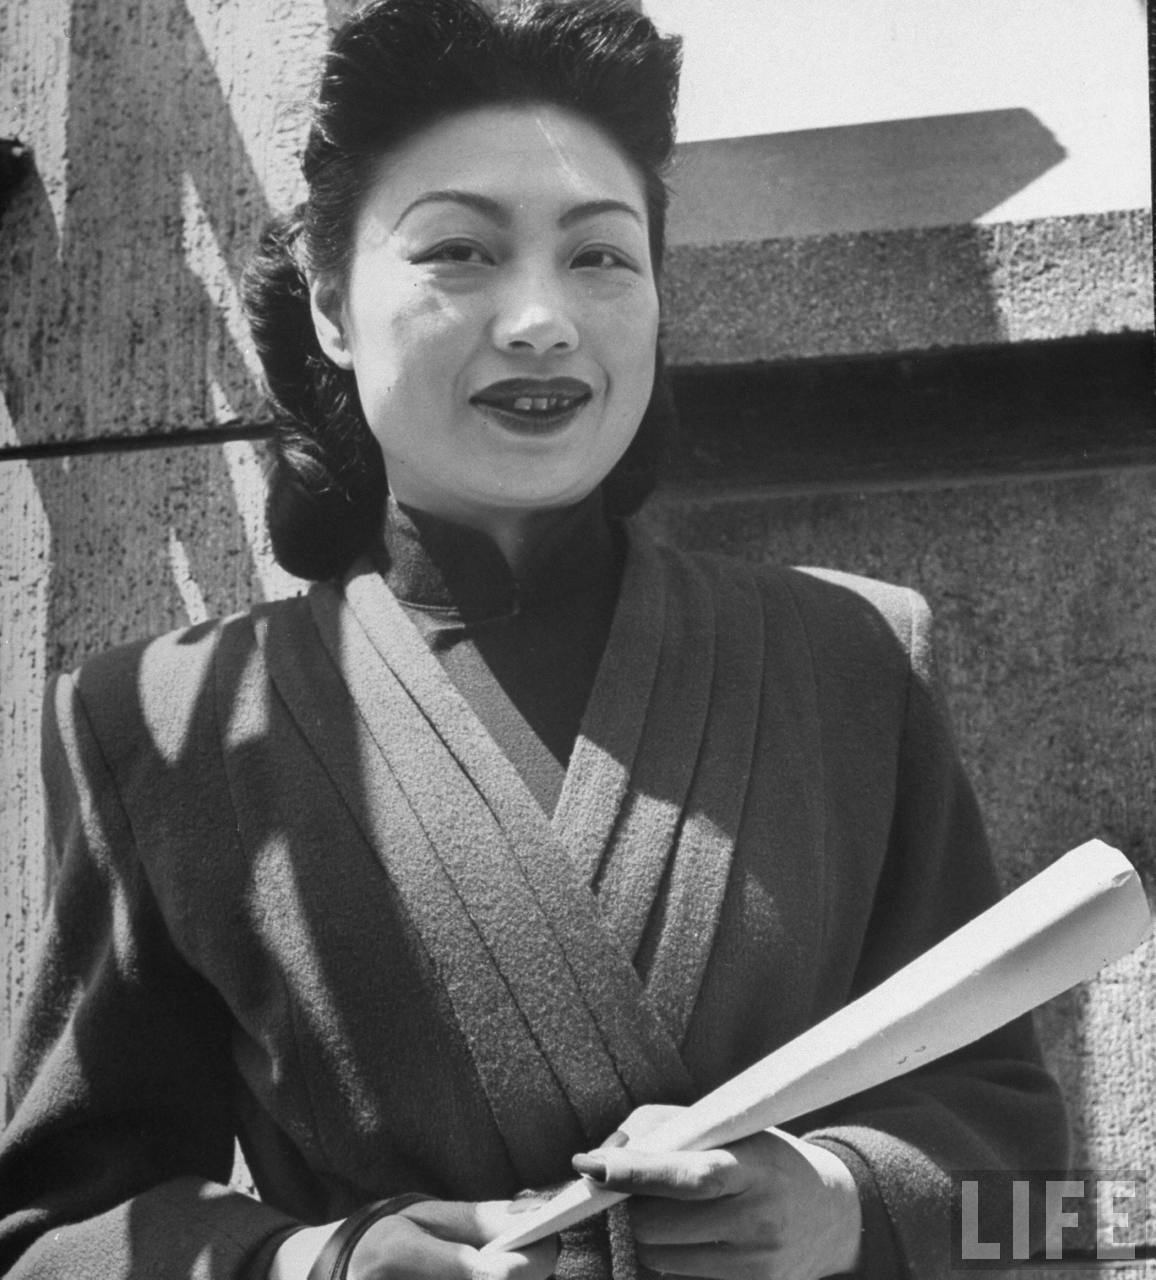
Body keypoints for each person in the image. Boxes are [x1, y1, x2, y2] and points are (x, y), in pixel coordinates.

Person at [0, 1, 1067, 1278]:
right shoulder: (152, 723)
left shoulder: (854, 655)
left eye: (601, 256)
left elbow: (1066, 1216)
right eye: (459, 250)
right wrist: (312, 1262)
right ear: (332, 305)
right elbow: (46, 1235)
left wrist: (843, 1201)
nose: (541, 319)